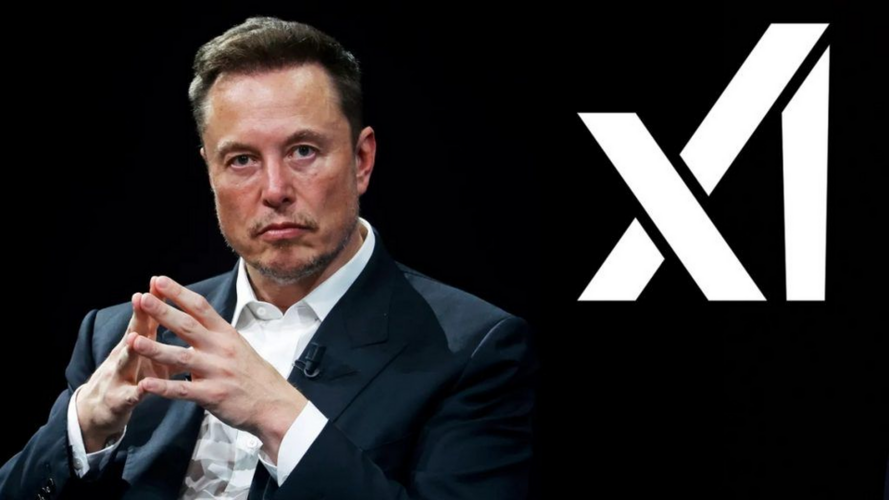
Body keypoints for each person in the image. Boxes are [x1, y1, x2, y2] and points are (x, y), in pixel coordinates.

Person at [0, 16, 538, 500]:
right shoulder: (121, 337)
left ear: (361, 160)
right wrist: (82, 428)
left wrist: (278, 415)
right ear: (210, 173)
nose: (275, 189)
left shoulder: (473, 350)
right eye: (242, 160)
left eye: (303, 151)